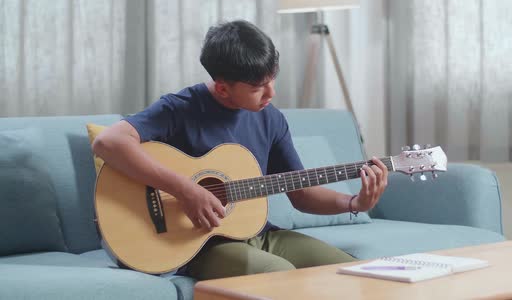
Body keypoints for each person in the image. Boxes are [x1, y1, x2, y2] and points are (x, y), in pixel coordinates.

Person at [92, 20, 389, 280]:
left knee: (352, 272)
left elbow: (301, 194)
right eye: (259, 86)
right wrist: (186, 189)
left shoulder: (271, 118)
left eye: (273, 78)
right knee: (278, 275)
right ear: (222, 88)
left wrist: (354, 202)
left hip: (260, 235)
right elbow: (108, 142)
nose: (271, 93)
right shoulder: (180, 108)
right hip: (195, 246)